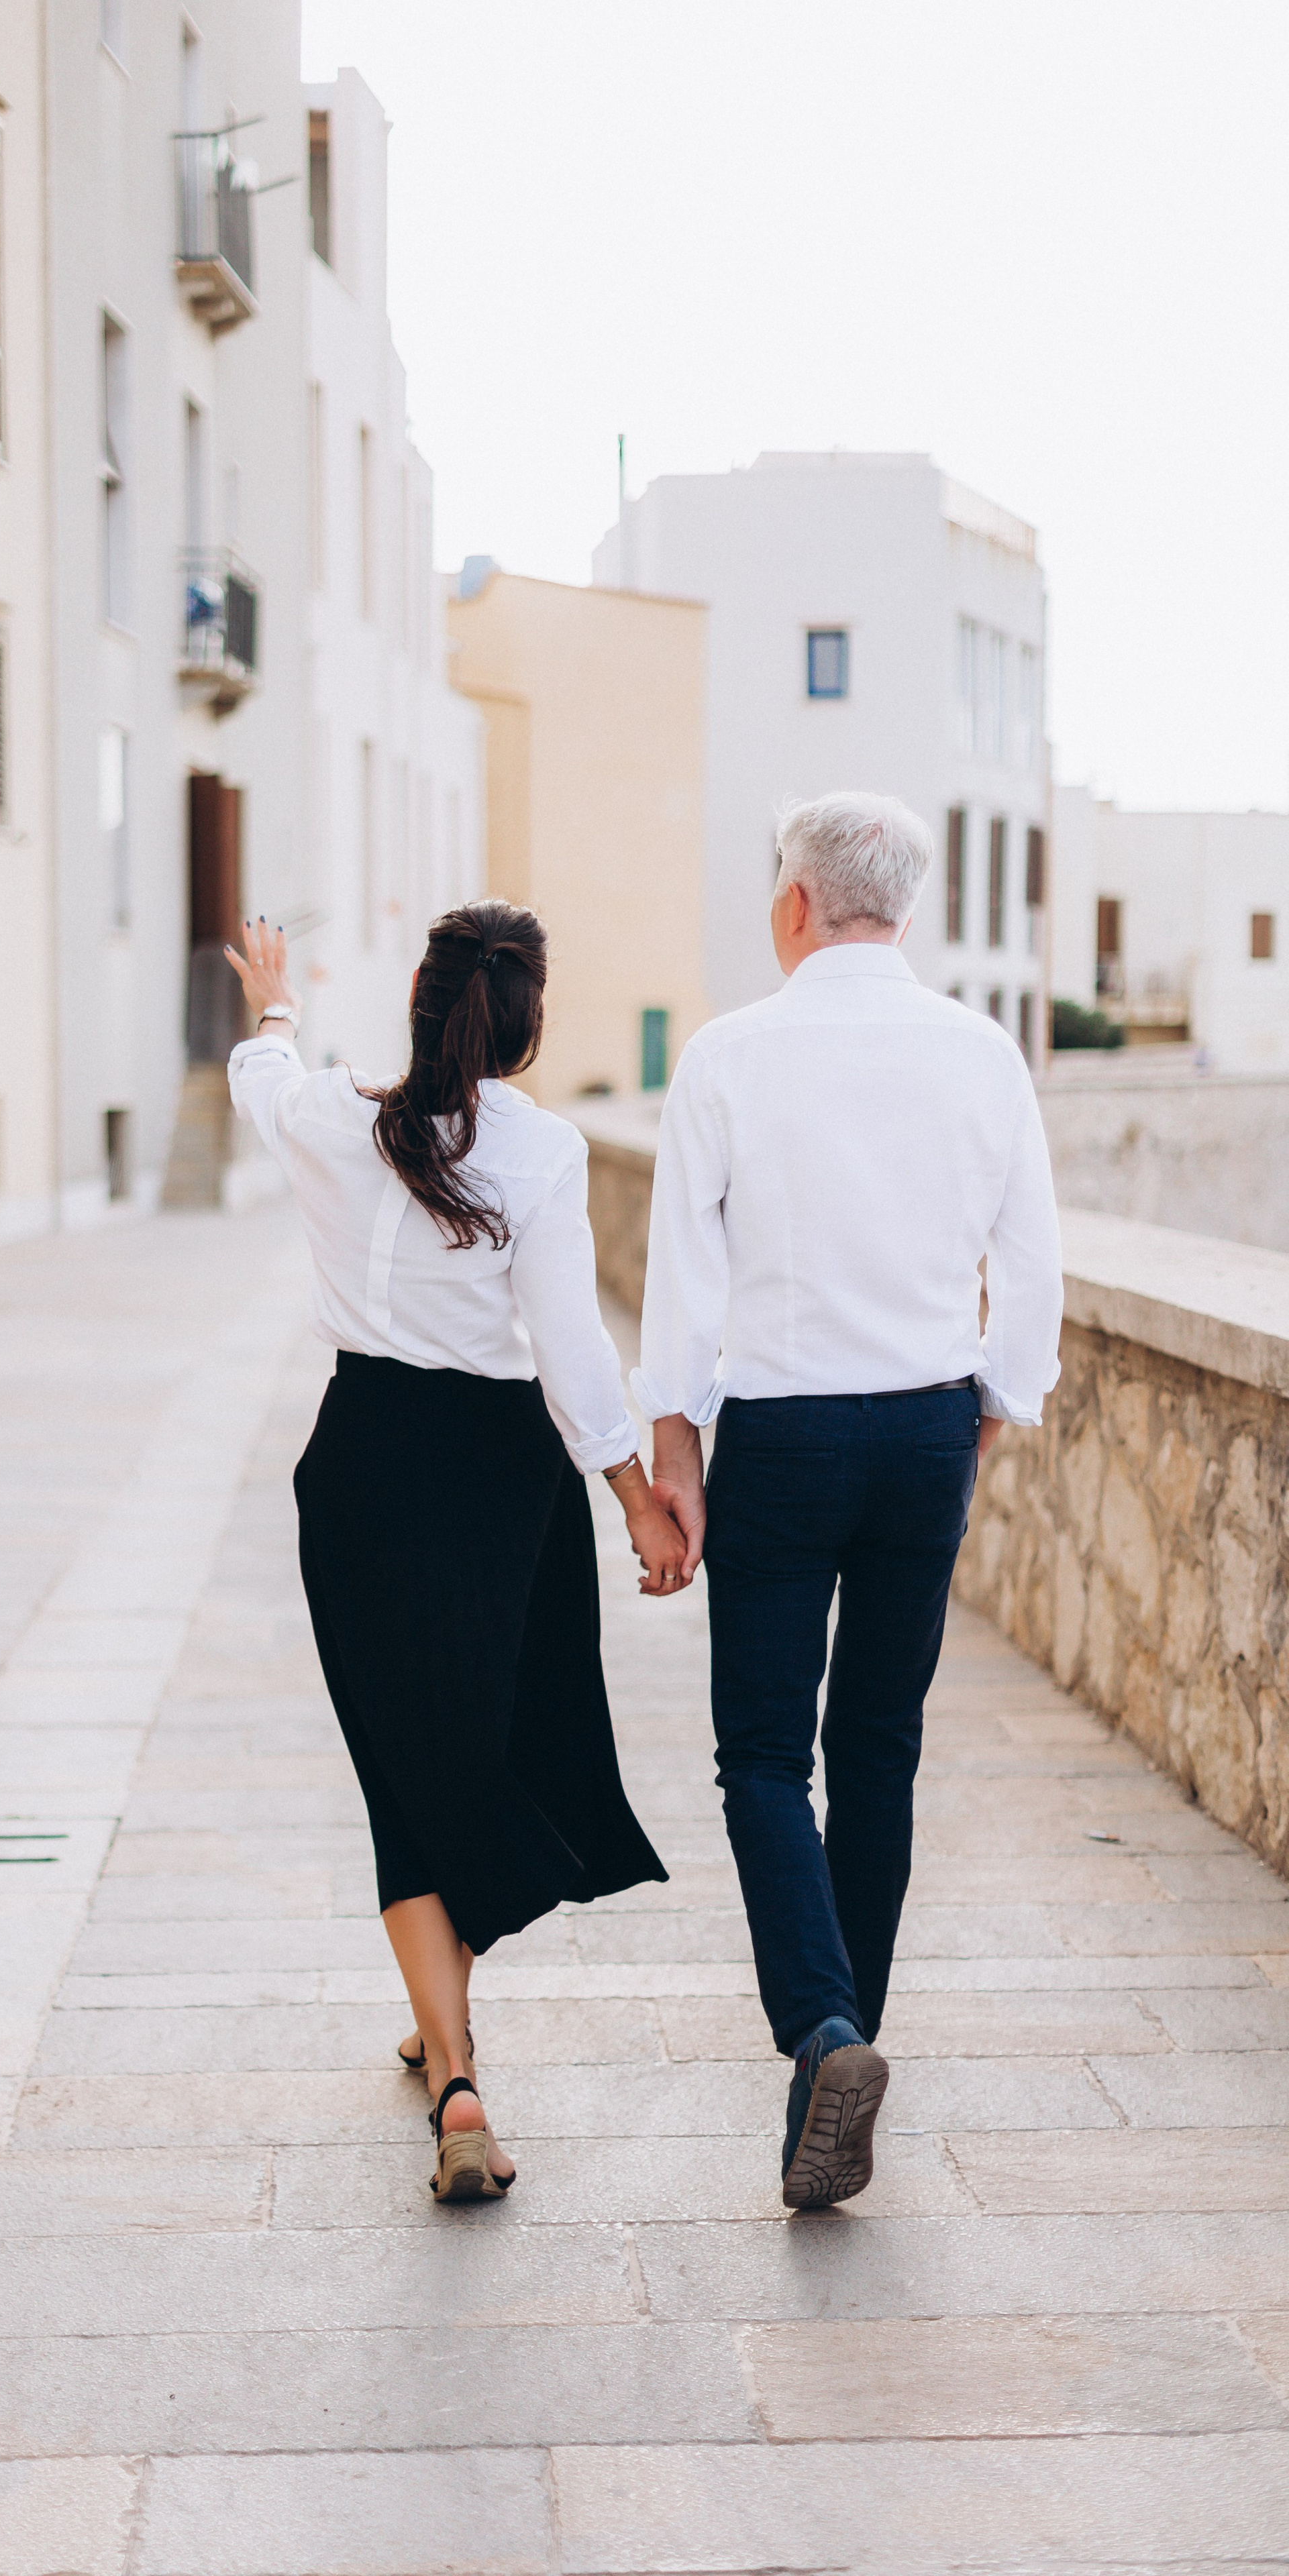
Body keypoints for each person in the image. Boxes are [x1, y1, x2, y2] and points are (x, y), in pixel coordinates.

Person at [635, 792, 1063, 2210]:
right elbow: (1032, 1265)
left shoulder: (728, 1056)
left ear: (795, 904)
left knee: (764, 1758)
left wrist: (675, 1445)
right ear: (906, 907)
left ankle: (824, 2036)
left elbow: (682, 1275)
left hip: (783, 1434)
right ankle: (841, 2048)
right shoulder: (981, 1053)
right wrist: (992, 1407)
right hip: (926, 1428)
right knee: (877, 1752)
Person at [225, 901, 686, 2203]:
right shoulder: (539, 1151)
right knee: (473, 1746)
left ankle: (449, 2052)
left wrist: (273, 1002)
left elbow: (261, 1079)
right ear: (523, 1028)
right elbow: (570, 1347)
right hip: (497, 1482)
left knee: (405, 1765)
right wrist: (632, 1494)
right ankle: (456, 2077)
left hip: (362, 1468)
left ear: (420, 1005)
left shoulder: (331, 1119)